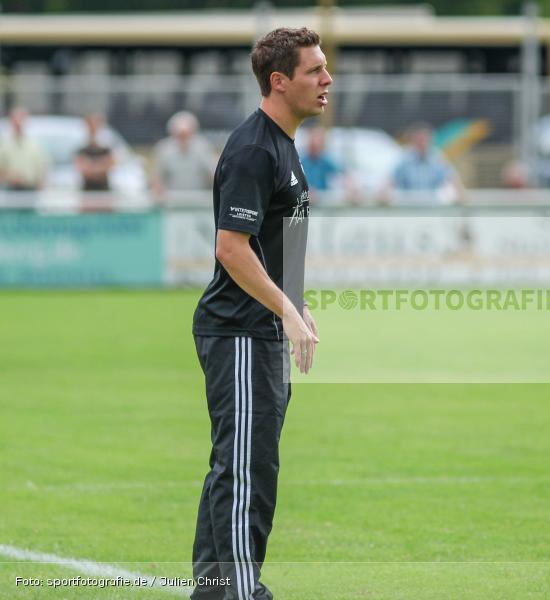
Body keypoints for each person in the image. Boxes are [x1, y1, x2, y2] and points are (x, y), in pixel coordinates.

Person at [190, 27, 331, 600]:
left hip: (262, 330)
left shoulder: (285, 144)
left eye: (325, 68)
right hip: (239, 333)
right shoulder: (254, 147)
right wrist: (285, 312)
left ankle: (214, 589)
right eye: (313, 71)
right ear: (279, 81)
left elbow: (281, 241)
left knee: (238, 466)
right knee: (249, 472)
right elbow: (231, 247)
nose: (327, 80)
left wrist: (297, 306)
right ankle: (243, 591)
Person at [386, 123, 463, 203]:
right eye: (419, 139)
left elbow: (451, 176)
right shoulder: (404, 158)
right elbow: (391, 179)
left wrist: (460, 195)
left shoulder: (436, 157)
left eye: (425, 139)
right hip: (408, 205)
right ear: (413, 139)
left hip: (431, 205)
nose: (422, 142)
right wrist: (384, 193)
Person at [152, 110, 217, 199]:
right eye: (180, 135)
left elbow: (214, 177)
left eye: (186, 134)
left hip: (200, 201)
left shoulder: (204, 148)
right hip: (172, 201)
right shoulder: (164, 149)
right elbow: (158, 179)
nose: (183, 139)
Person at [0, 107, 48, 191]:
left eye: (21, 119)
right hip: (9, 189)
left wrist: (40, 182)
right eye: (16, 119)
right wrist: (10, 177)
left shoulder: (34, 144)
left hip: (31, 188)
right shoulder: (4, 144)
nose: (18, 122)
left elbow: (42, 167)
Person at [74, 113, 114, 191]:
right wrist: (100, 166)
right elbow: (83, 169)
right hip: (87, 191)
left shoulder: (107, 148)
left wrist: (91, 167)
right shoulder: (81, 150)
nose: (93, 128)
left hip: (104, 190)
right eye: (91, 125)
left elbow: (110, 165)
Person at [298, 124, 342, 193]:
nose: (316, 143)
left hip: (322, 200)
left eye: (320, 141)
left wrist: (351, 186)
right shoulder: (299, 161)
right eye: (314, 139)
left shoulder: (326, 160)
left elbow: (344, 172)